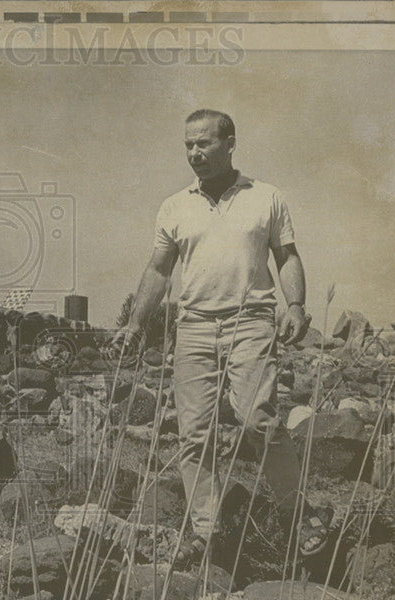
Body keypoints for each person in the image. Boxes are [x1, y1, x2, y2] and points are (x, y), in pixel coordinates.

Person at [115, 109, 332, 569]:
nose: (194, 153)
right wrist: (135, 324)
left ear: (230, 143)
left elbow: (287, 256)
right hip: (192, 328)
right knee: (194, 434)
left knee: (259, 421)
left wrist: (295, 306)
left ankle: (302, 513)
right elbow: (158, 270)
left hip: (250, 320)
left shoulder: (266, 197)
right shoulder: (174, 205)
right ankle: (205, 533)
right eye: (188, 145)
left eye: (204, 144)